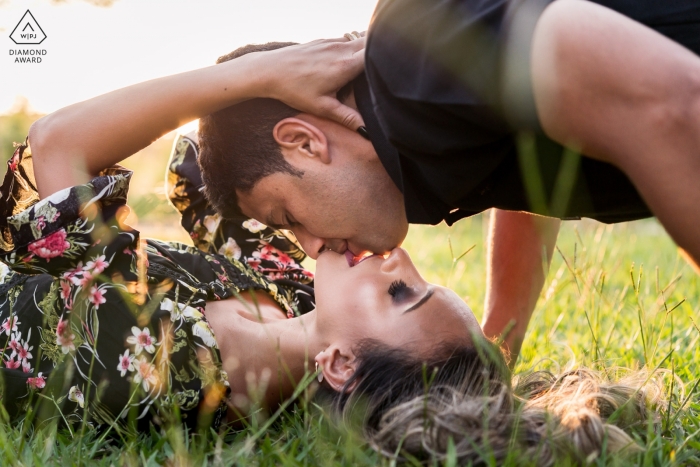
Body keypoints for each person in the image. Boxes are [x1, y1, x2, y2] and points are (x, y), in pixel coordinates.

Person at [0, 36, 664, 464]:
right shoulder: (294, 292)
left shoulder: (161, 357)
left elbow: (59, 140)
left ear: (340, 364)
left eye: (401, 295)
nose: (401, 261)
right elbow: (209, 162)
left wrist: (265, 71)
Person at [198, 1, 700, 361]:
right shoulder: (412, 142)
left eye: (288, 218)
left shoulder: (408, 54)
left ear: (303, 142)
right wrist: (502, 343)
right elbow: (535, 147)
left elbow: (669, 104)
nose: (310, 247)